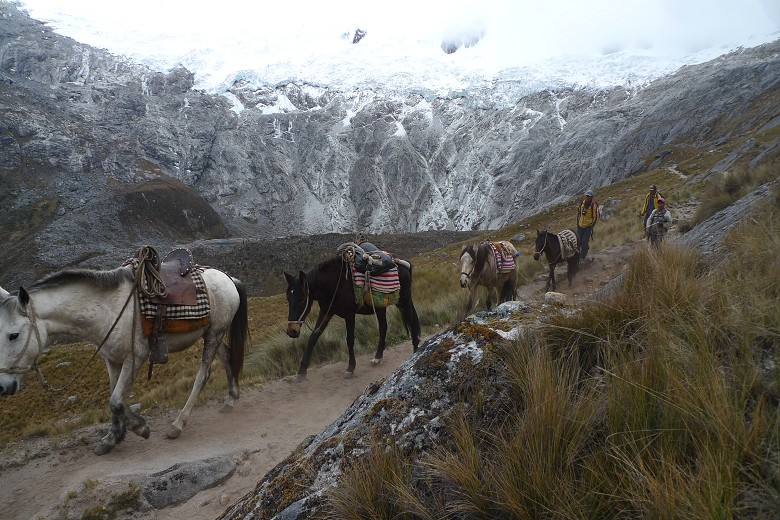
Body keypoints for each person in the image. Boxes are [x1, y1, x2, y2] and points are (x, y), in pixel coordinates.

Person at [576, 189, 600, 260]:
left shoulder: (593, 206)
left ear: (592, 197)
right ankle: (577, 256)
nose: (588, 197)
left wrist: (591, 226)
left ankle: (582, 258)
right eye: (587, 196)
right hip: (580, 226)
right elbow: (579, 213)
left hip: (588, 227)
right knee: (577, 242)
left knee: (584, 243)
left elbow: (595, 217)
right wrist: (578, 222)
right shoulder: (582, 203)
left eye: (589, 196)